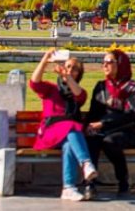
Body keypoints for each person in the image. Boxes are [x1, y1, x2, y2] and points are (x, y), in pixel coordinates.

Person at [29, 49, 98, 201]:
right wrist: (45, 59)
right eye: (68, 66)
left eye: (74, 69)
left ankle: (68, 188)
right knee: (72, 126)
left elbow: (79, 95)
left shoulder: (80, 93)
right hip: (49, 133)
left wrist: (67, 77)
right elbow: (34, 82)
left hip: (68, 135)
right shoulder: (50, 89)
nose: (70, 70)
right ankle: (86, 163)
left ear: (79, 74)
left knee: (69, 143)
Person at [84, 49, 135, 199]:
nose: (105, 65)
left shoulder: (132, 87)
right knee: (92, 139)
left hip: (128, 131)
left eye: (109, 62)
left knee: (110, 141)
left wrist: (103, 124)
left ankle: (123, 181)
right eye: (103, 62)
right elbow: (94, 112)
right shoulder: (101, 87)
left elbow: (130, 115)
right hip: (103, 130)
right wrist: (88, 126)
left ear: (120, 64)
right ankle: (90, 183)